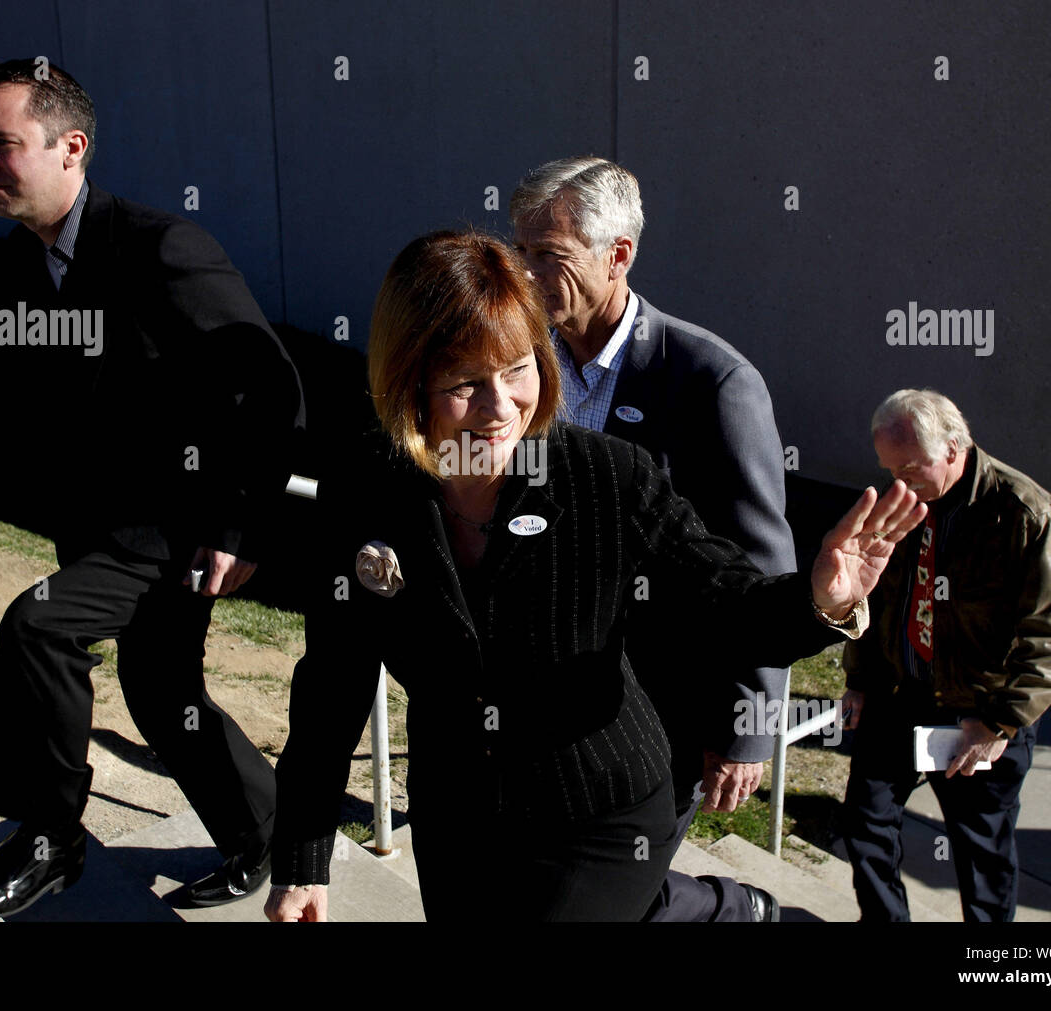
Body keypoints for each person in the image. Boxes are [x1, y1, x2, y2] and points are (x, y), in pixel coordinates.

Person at [263, 230, 924, 922]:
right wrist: (304, 859)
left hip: (601, 807)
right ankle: (701, 911)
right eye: (465, 384)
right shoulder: (366, 486)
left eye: (518, 369)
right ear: (409, 383)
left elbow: (728, 603)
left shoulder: (608, 477)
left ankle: (710, 909)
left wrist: (818, 599)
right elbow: (333, 678)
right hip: (457, 807)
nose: (501, 408)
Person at [0, 57, 304, 920]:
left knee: (39, 628)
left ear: (70, 148)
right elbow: (24, 404)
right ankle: (266, 830)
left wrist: (241, 523)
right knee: (164, 693)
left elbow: (271, 388)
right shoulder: (24, 264)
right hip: (92, 522)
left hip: (172, 524)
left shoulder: (162, 248)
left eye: (0, 146)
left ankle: (50, 841)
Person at [510, 157, 794, 921]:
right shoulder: (525, 366)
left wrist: (748, 727)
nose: (526, 276)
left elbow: (759, 572)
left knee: (597, 897)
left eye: (551, 256)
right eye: (521, 252)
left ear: (618, 256)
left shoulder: (710, 382)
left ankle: (734, 913)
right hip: (547, 696)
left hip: (660, 714)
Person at [840, 389, 1051, 921]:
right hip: (900, 695)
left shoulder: (1020, 512)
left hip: (981, 710)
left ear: (954, 448)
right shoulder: (897, 501)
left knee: (981, 854)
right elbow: (872, 596)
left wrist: (997, 724)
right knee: (865, 822)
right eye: (888, 468)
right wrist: (859, 678)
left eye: (910, 466)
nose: (899, 482)